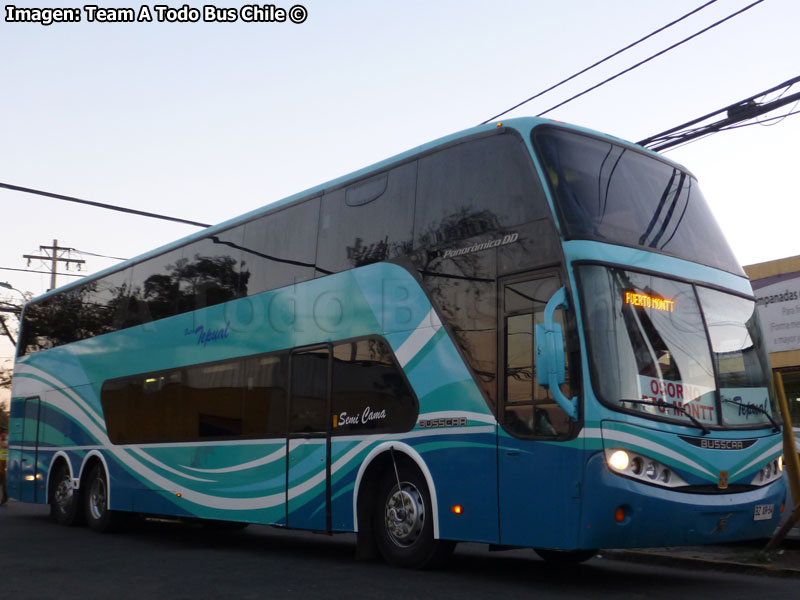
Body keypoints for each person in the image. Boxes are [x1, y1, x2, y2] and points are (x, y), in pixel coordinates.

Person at [0, 427, 8, 506]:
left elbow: (4, 446)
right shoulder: (2, 438)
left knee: (4, 482)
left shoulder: (6, 439)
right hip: (1, 462)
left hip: (5, 462)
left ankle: (4, 497)